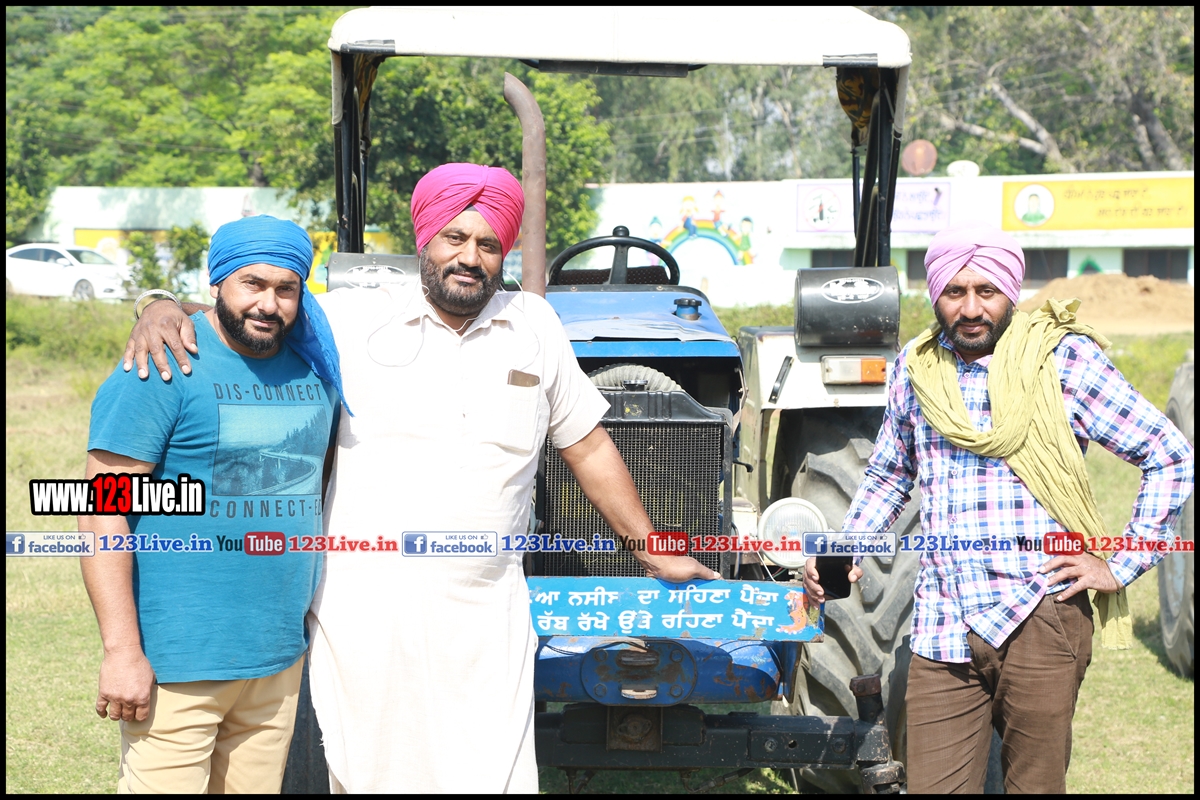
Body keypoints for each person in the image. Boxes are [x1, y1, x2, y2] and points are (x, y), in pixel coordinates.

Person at [124, 163, 718, 793]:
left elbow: (588, 444)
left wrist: (650, 546)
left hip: (488, 612)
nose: (470, 257)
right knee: (373, 773)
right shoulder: (351, 319)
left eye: (488, 244)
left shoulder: (535, 325)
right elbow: (249, 308)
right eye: (454, 238)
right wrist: (158, 306)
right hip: (364, 611)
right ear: (424, 240)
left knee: (490, 774)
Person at [803, 223, 1193, 793]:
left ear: (1011, 290)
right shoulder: (916, 368)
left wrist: (1120, 563)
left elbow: (1170, 455)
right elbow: (889, 474)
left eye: (986, 291)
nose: (970, 309)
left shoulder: (1062, 360)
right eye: (954, 292)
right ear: (934, 293)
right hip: (942, 624)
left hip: (1041, 614)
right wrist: (847, 549)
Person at [79, 216, 343, 792]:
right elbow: (101, 510)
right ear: (218, 281)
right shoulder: (163, 364)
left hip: (276, 659)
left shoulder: (319, 370)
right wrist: (121, 651)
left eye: (286, 288)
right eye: (253, 283)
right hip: (178, 661)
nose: (268, 303)